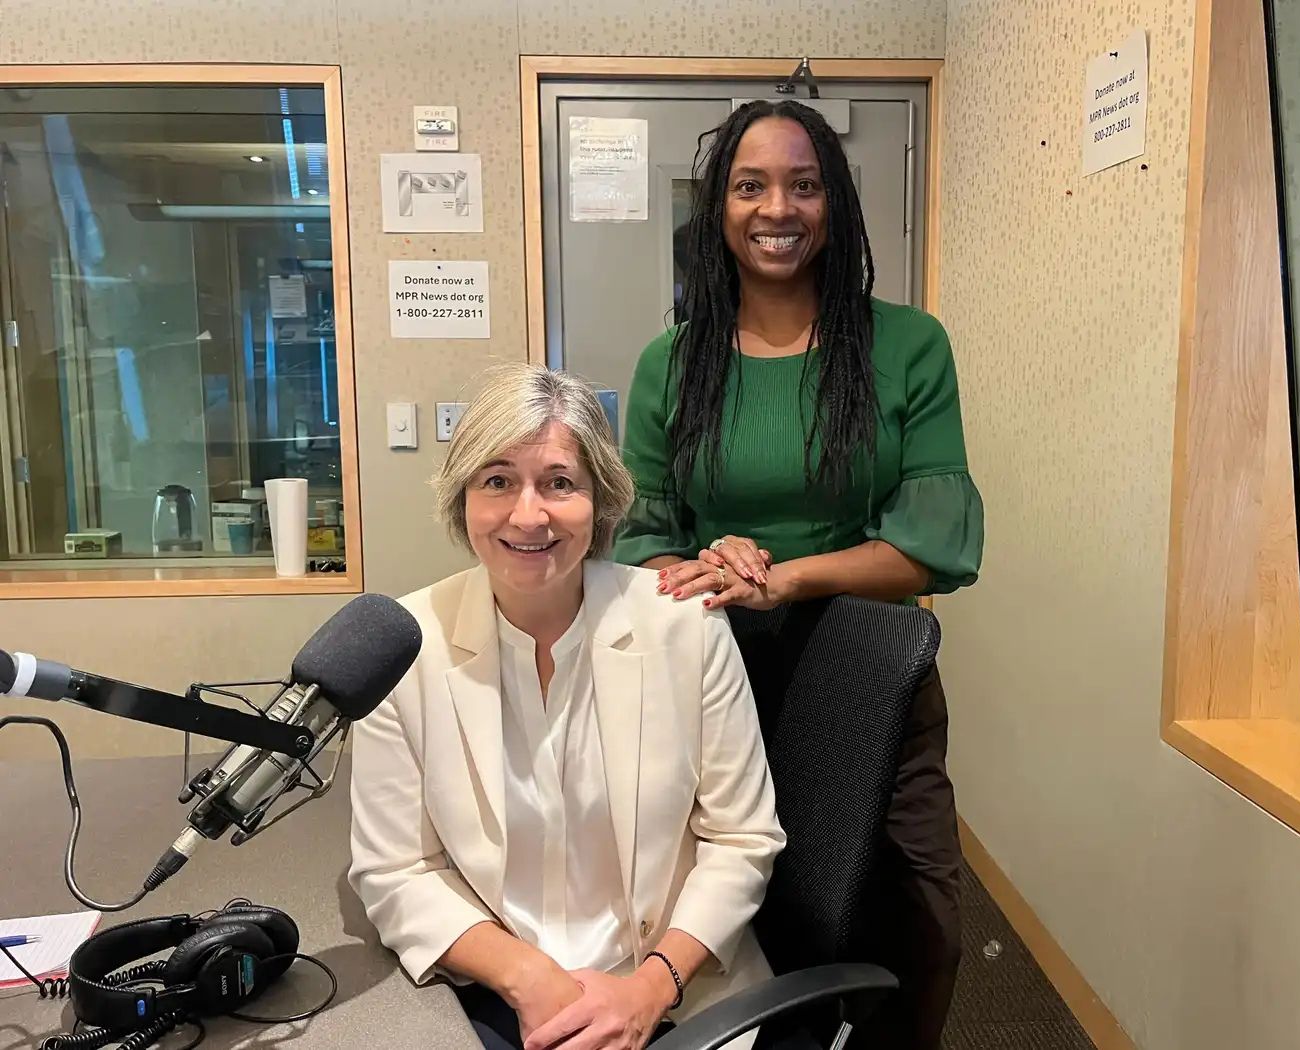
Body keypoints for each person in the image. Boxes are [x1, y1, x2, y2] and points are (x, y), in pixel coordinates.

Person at [614, 100, 985, 1048]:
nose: (777, 207)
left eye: (803, 183)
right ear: (719, 207)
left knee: (922, 923)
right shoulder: (673, 363)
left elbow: (934, 545)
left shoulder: (908, 345)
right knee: (744, 912)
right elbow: (637, 540)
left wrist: (787, 577)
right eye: (750, 185)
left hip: (871, 669)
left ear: (835, 202)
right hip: (711, 671)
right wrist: (702, 563)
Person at [348, 363, 787, 1050]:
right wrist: (530, 979)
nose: (529, 514)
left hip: (679, 989)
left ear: (601, 499)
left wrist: (647, 990)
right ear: (463, 498)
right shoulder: (404, 645)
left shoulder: (687, 627)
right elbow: (395, 869)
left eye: (559, 482)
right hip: (495, 990)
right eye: (497, 481)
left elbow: (741, 839)